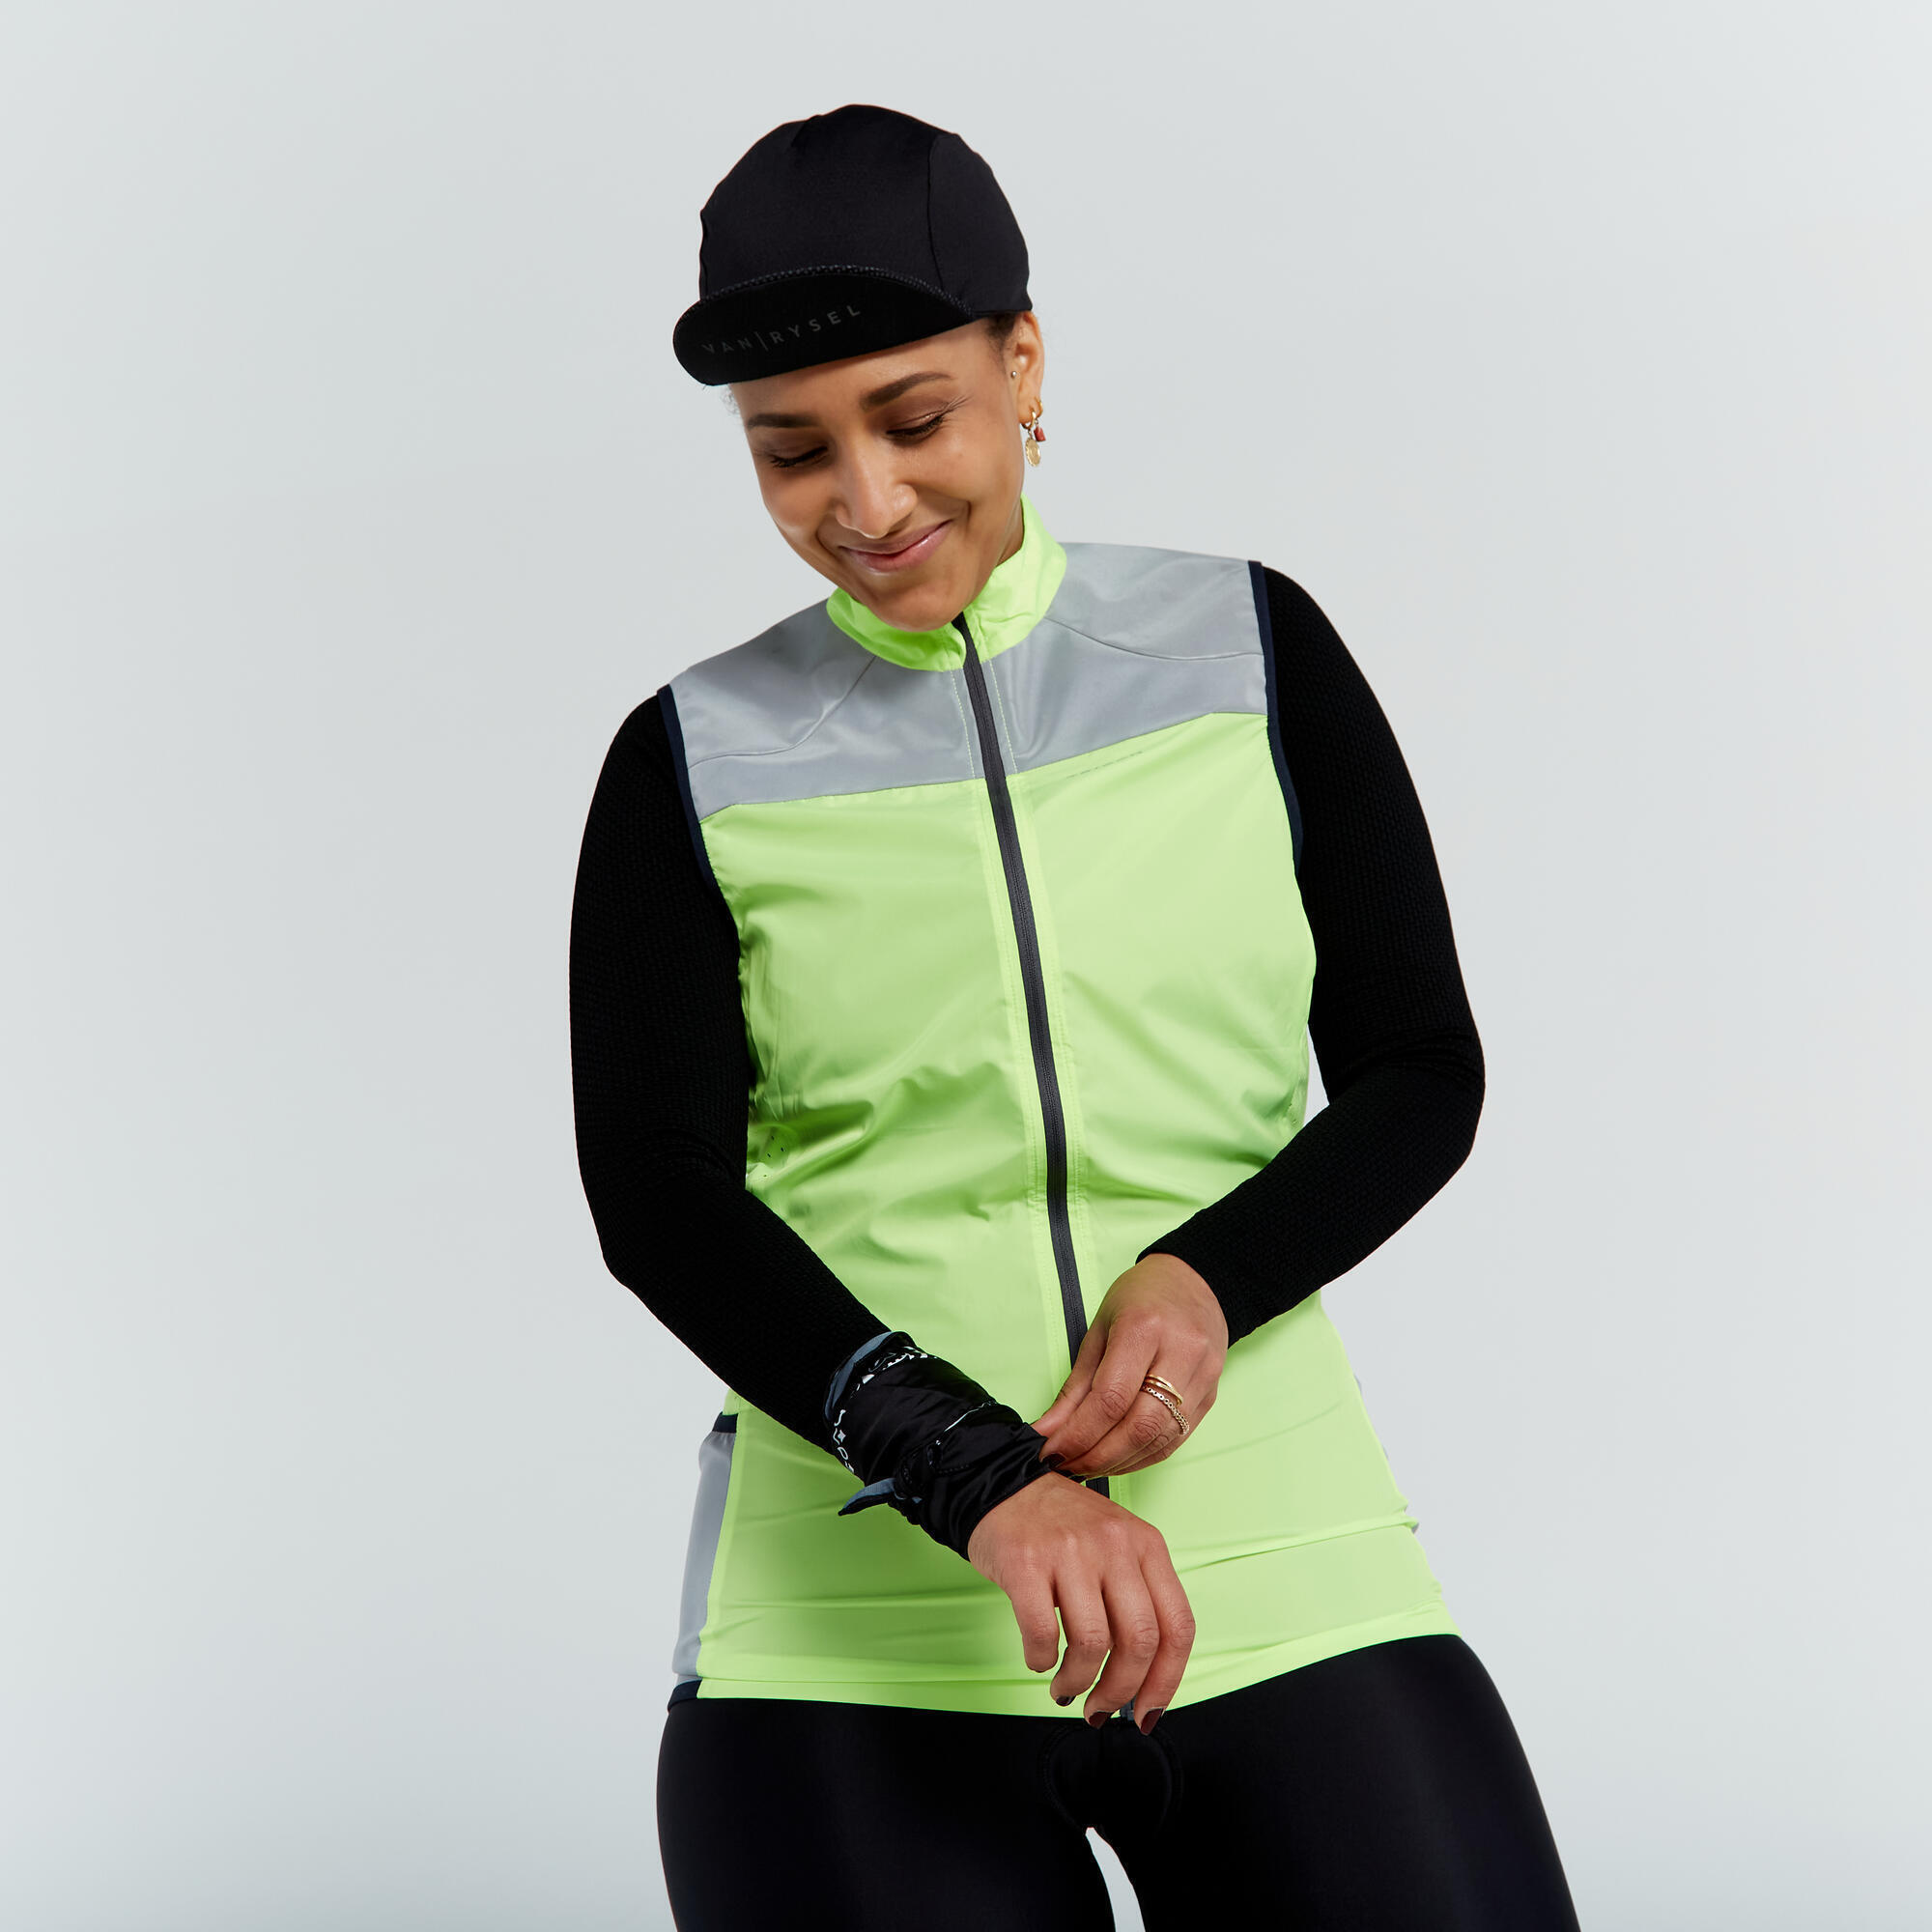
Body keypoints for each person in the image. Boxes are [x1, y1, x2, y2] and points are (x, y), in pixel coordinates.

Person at [570, 103, 1581, 1931]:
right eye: (791, 451)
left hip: (1282, 1564)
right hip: (853, 1624)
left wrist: (1206, 1276)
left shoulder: (1248, 653)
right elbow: (659, 1198)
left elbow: (1420, 1071)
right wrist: (974, 1476)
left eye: (915, 420)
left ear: (1023, 364)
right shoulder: (692, 760)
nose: (865, 503)